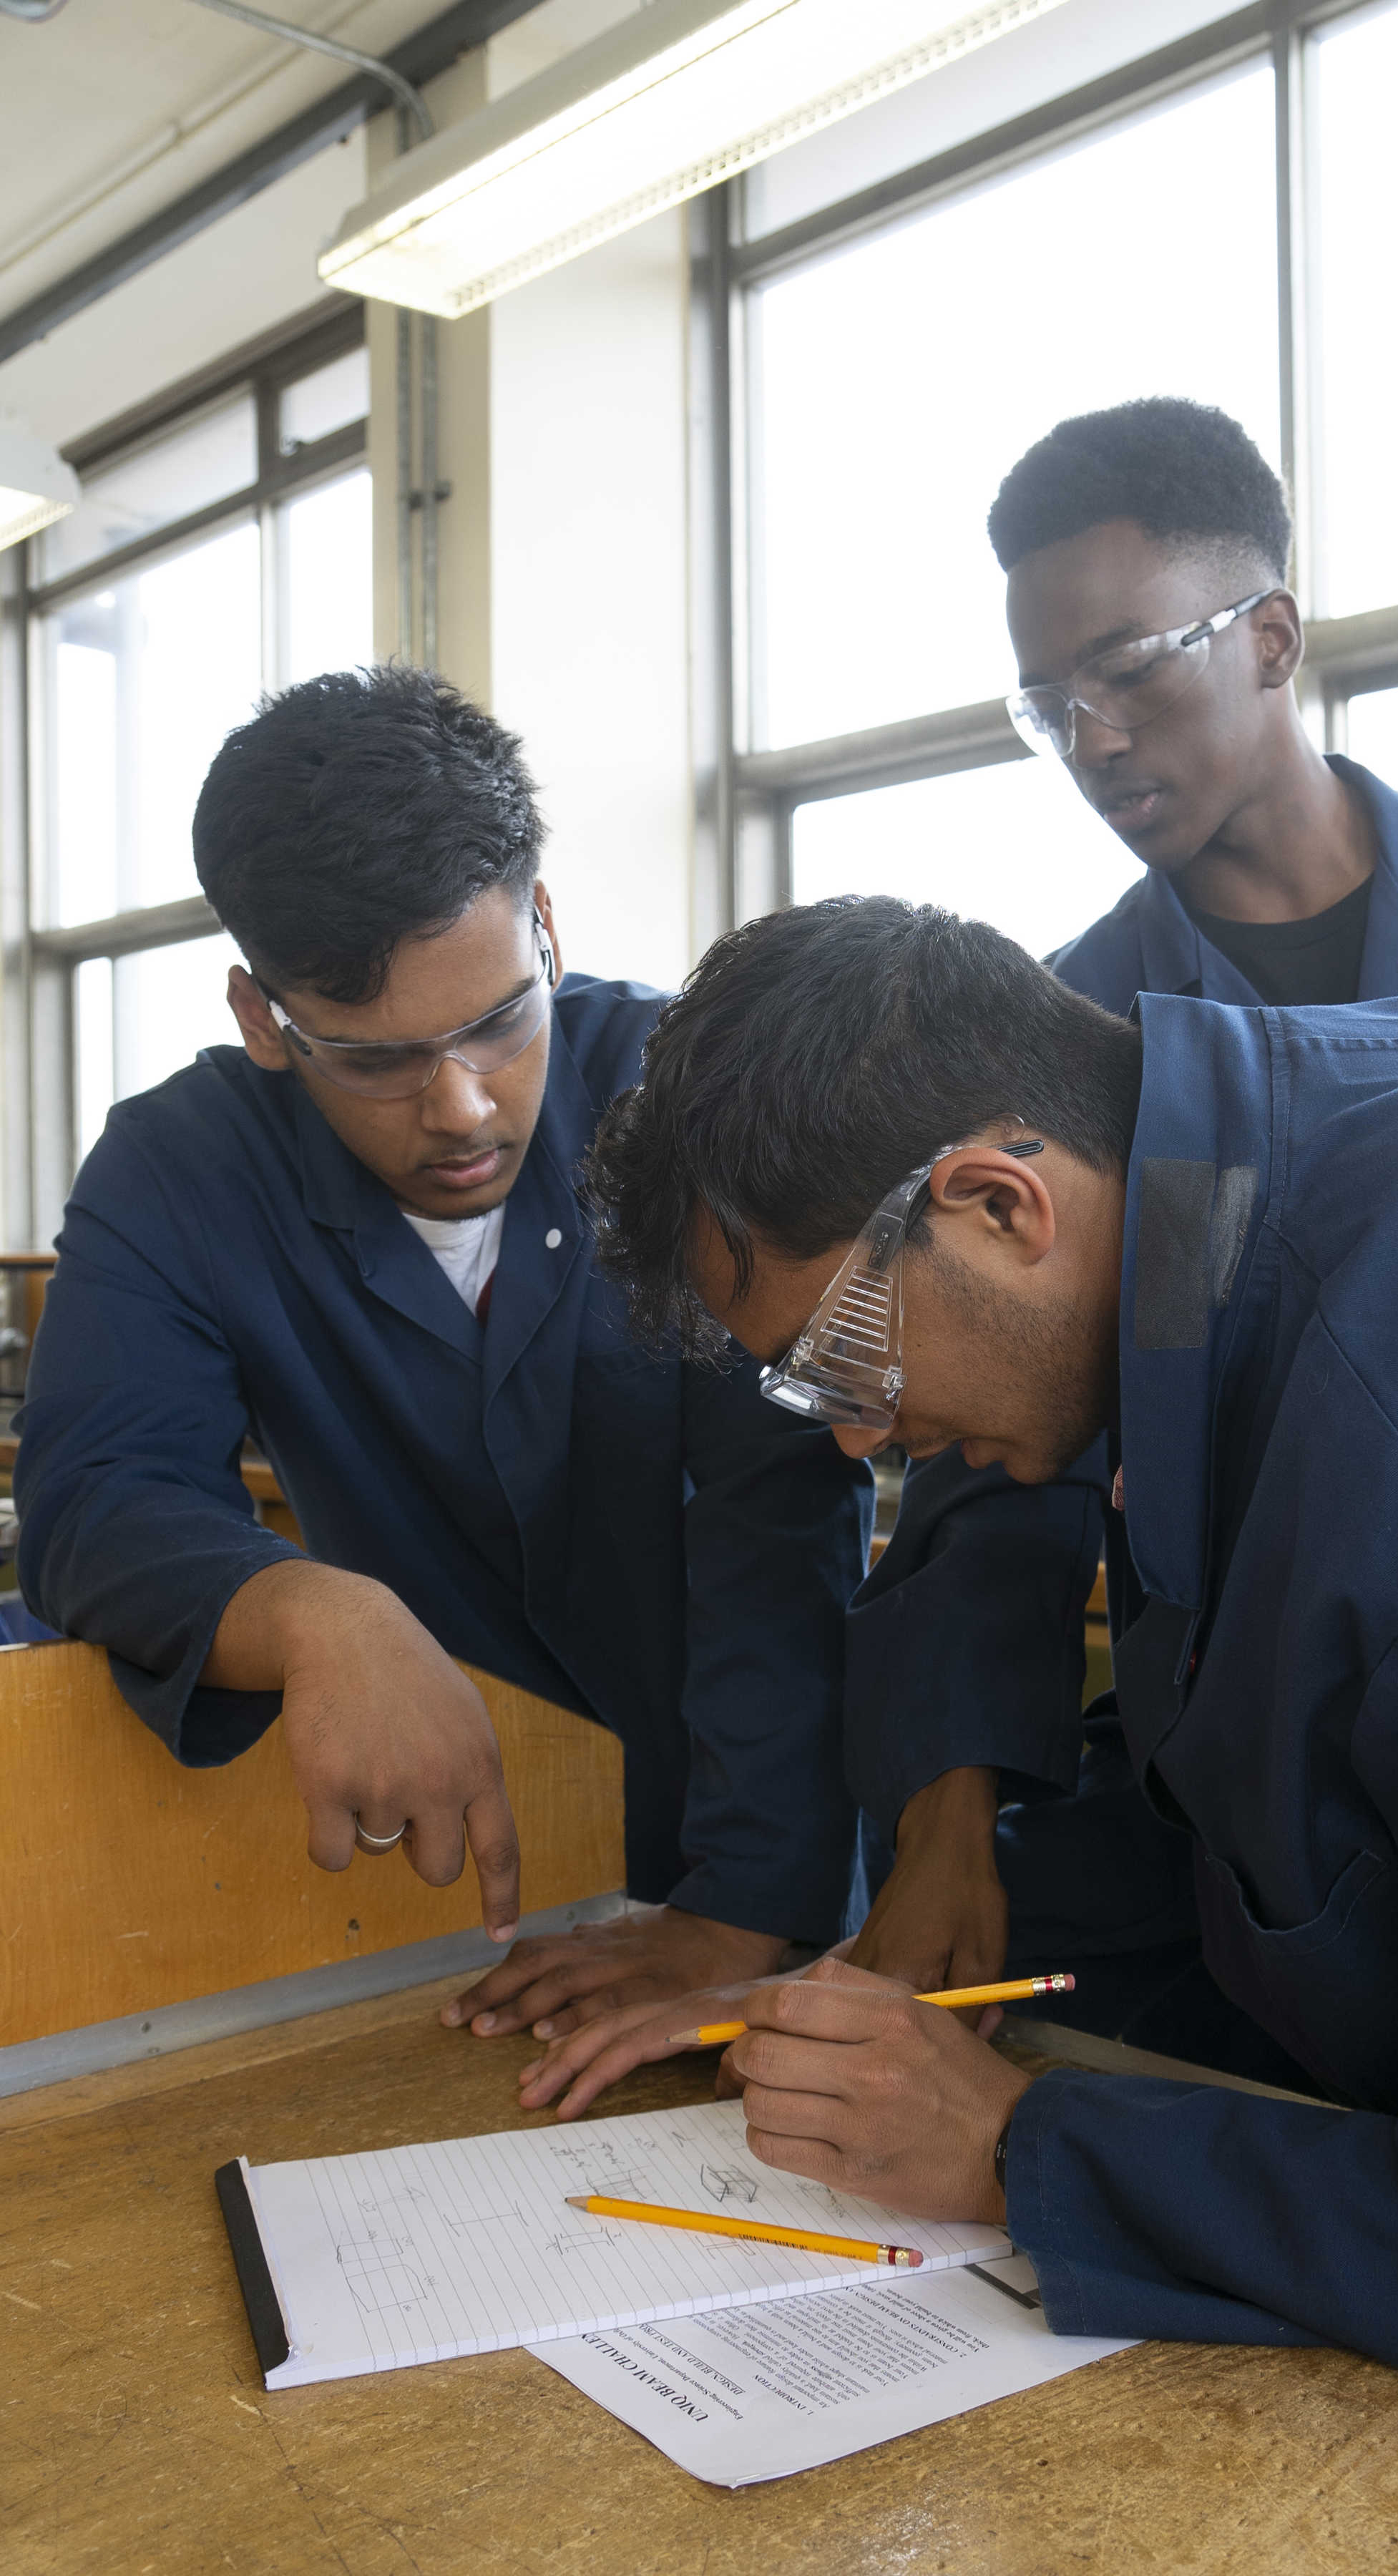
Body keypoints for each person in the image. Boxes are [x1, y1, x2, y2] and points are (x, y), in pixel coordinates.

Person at [570, 892, 1398, 2408]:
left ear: (998, 1203)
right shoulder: (1236, 1182)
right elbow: (1280, 1784)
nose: (861, 1431)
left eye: (844, 1358)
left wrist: (1008, 2150)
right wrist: (963, 1922)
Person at [839, 395, 1398, 2047]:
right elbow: (986, 1468)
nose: (1093, 739)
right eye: (1049, 705)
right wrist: (947, 1834)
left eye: (1129, 670)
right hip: (1298, 1745)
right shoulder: (1083, 1035)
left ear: (1272, 638)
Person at [14, 668, 871, 2032]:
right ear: (263, 1022)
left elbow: (780, 1524)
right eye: (380, 1061)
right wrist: (311, 1612)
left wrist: (745, 1912)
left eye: (497, 1021)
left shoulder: (692, 1092)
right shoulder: (181, 1167)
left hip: (759, 1861)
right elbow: (91, 1503)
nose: (463, 1106)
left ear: (543, 923)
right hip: (458, 1900)